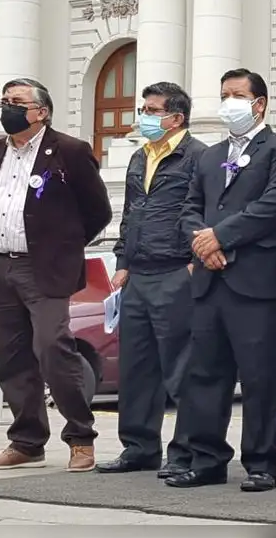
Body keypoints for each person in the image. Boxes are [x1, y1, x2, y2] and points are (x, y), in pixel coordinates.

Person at [167, 68, 276, 492]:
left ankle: (262, 462)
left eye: (237, 95)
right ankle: (206, 459)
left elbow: (272, 205)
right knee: (206, 374)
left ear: (258, 104)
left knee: (261, 377)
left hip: (255, 281)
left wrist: (220, 237)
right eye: (223, 94)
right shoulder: (209, 155)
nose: (229, 102)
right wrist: (202, 242)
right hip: (210, 280)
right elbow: (189, 207)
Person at [0, 78, 112, 472]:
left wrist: (64, 248)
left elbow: (98, 211)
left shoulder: (70, 152)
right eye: (4, 101)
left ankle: (80, 436)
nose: (8, 108)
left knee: (52, 347)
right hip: (0, 266)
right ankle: (26, 441)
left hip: (45, 269)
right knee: (11, 357)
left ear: (40, 111)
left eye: (17, 102)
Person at [96, 82, 206, 477]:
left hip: (176, 271)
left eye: (152, 109)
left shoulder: (198, 157)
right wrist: (122, 260)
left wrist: (194, 263)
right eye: (143, 108)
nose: (143, 116)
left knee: (180, 368)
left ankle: (186, 453)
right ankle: (139, 448)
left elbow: (204, 213)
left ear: (175, 117)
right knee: (136, 368)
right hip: (138, 275)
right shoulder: (140, 156)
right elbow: (131, 213)